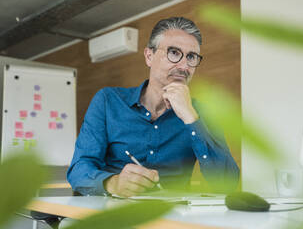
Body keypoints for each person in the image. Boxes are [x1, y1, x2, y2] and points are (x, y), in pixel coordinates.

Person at [67, 17, 239, 197]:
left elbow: (227, 184)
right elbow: (79, 169)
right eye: (174, 52)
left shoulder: (202, 112)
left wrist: (190, 118)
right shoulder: (108, 101)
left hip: (172, 217)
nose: (184, 66)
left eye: (191, 56)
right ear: (149, 56)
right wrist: (113, 184)